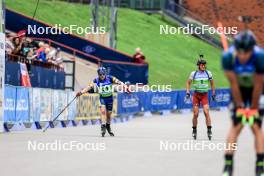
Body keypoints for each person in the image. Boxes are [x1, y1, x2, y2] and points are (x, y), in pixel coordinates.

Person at [222, 30, 264, 176]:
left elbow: (259, 85)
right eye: (240, 52)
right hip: (239, 90)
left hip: (256, 91)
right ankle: (228, 164)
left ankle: (260, 165)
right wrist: (240, 106)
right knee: (236, 125)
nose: (243, 55)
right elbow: (233, 84)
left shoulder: (260, 57)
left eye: (246, 52)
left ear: (252, 49)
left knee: (256, 126)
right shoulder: (228, 57)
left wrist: (253, 108)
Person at [76, 67, 129, 137]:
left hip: (109, 98)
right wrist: (81, 92)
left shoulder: (110, 78)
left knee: (109, 115)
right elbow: (89, 87)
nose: (102, 76)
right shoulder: (96, 80)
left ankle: (108, 126)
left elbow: (119, 82)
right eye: (100, 74)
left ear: (105, 74)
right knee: (103, 111)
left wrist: (125, 86)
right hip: (102, 98)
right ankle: (103, 125)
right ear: (98, 74)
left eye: (103, 74)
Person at [185, 55, 216, 140]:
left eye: (204, 65)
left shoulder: (208, 73)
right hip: (196, 95)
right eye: (202, 65)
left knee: (206, 112)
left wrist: (213, 94)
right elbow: (188, 83)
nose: (204, 66)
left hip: (204, 95)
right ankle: (194, 130)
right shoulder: (193, 74)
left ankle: (209, 129)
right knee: (196, 114)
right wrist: (187, 92)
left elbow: (212, 84)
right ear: (198, 66)